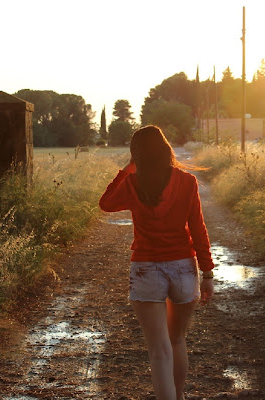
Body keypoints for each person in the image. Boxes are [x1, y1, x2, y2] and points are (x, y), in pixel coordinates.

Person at [99, 125, 215, 400]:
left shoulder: (132, 183)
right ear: (165, 149)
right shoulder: (187, 182)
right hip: (184, 269)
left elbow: (105, 203)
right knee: (177, 340)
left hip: (146, 270)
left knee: (158, 350)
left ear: (135, 155)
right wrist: (207, 272)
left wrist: (126, 170)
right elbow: (198, 229)